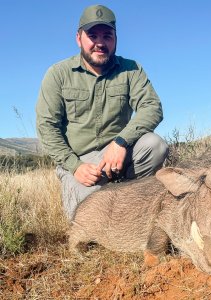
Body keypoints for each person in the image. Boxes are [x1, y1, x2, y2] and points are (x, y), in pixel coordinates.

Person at [36, 4, 169, 220]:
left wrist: (121, 142)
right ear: (79, 38)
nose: (100, 43)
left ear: (115, 39)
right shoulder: (57, 74)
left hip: (119, 154)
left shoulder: (131, 69)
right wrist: (74, 166)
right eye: (92, 36)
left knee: (155, 145)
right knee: (84, 221)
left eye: (107, 36)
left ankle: (132, 199)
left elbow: (152, 107)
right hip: (80, 163)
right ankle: (108, 200)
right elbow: (46, 126)